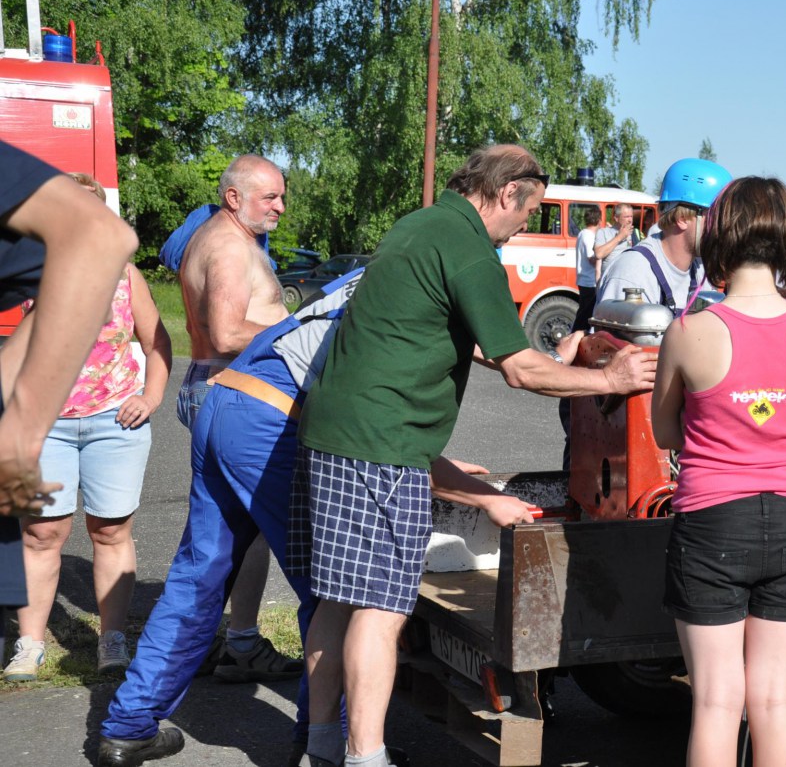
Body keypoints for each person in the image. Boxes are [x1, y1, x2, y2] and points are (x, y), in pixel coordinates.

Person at [288, 144, 656, 767]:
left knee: (338, 599)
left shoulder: (422, 224)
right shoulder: (469, 248)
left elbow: (475, 339)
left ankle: (323, 747)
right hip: (383, 445)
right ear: (509, 192)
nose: (524, 226)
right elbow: (518, 370)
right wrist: (608, 379)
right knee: (381, 609)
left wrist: (554, 359)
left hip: (332, 431)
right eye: (530, 211)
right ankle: (365, 758)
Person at [96, 268, 533, 767]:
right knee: (335, 590)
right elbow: (376, 435)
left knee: (197, 578)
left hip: (227, 399)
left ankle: (128, 727)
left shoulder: (383, 273)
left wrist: (446, 466)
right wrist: (482, 495)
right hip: (274, 422)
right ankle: (334, 742)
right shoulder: (415, 308)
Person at [651, 176, 786, 767]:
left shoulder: (688, 332)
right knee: (776, 701)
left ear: (719, 236)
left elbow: (664, 431)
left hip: (712, 521)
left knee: (716, 702)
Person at [3, 175, 172, 684]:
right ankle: (29, 645)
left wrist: (150, 397)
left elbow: (157, 341)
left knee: (111, 531)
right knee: (41, 533)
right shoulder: (32, 273)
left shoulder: (125, 276)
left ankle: (111, 640)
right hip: (47, 423)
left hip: (115, 422)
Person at [176, 154, 301, 683]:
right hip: (231, 390)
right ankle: (233, 644)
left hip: (220, 388)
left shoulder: (222, 237)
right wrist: (302, 333)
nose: (280, 206)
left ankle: (208, 643)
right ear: (233, 197)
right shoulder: (229, 246)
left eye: (281, 195)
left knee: (231, 531)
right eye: (270, 197)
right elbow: (227, 333)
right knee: (248, 528)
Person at [597, 158, 729, 312]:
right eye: (716, 218)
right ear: (682, 219)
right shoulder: (634, 272)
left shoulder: (699, 270)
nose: (722, 228)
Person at [571, 205, 602, 332]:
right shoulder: (588, 236)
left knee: (583, 313)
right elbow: (592, 258)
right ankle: (576, 335)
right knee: (585, 316)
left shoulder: (582, 233)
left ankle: (575, 334)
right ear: (599, 220)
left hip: (585, 280)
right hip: (589, 281)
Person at [593, 202, 638, 280]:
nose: (630, 220)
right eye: (626, 217)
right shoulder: (603, 232)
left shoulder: (636, 233)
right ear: (616, 218)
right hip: (610, 280)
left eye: (631, 216)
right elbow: (598, 254)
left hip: (628, 280)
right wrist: (619, 237)